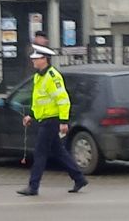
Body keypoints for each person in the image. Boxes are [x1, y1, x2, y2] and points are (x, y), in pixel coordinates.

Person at [18, 44, 88, 196]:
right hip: (44, 119)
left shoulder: (53, 77)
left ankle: (33, 186)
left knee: (40, 153)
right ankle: (79, 178)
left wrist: (63, 121)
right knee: (59, 151)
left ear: (44, 59)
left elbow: (63, 100)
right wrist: (31, 115)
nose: (33, 61)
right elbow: (38, 100)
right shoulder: (38, 77)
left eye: (36, 58)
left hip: (52, 120)